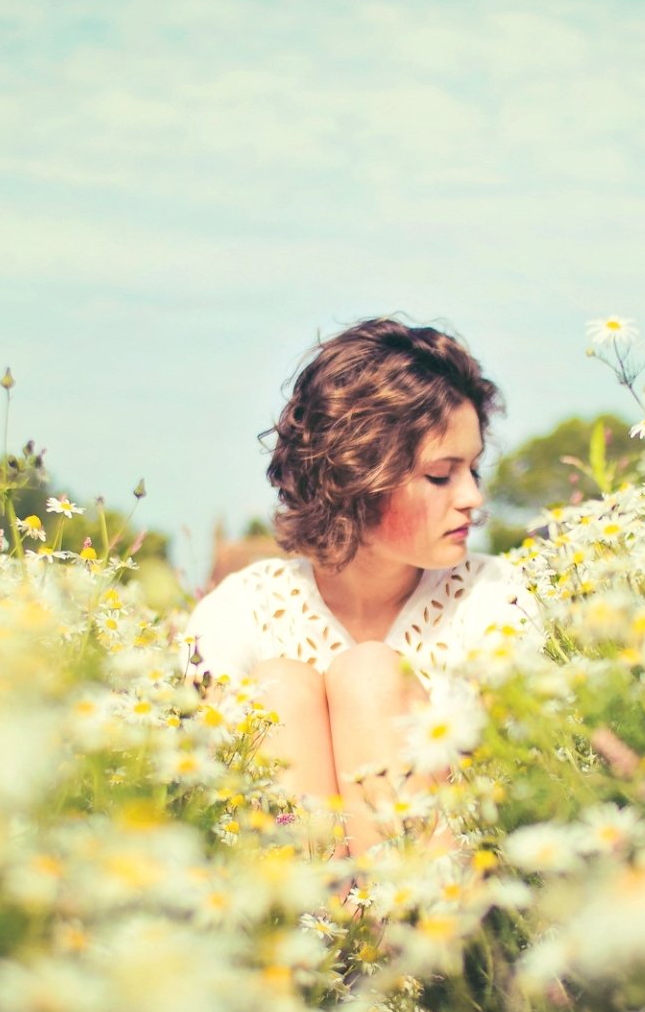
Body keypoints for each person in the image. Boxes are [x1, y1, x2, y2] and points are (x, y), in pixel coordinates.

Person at [180, 317, 537, 858]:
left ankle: (387, 937)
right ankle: (337, 934)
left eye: (474, 470)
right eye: (441, 475)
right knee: (278, 687)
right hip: (293, 917)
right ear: (356, 475)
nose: (473, 498)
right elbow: (195, 788)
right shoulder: (240, 611)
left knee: (370, 675)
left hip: (456, 916)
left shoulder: (498, 597)